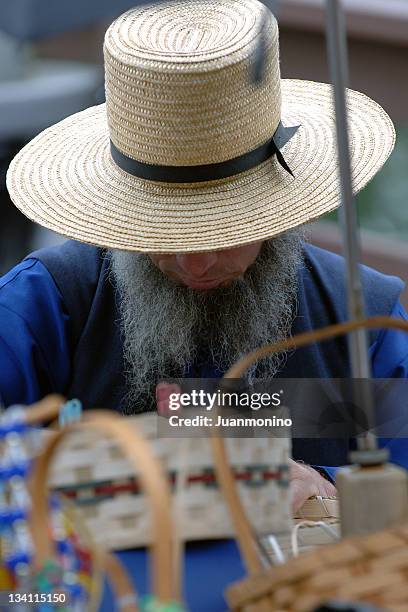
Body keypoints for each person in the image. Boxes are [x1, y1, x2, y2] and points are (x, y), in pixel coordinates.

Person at [1, 0, 408, 607]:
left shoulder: (365, 322)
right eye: (164, 233)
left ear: (279, 207)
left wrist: (327, 494)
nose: (195, 263)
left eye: (223, 230)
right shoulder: (47, 305)